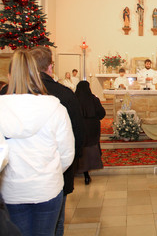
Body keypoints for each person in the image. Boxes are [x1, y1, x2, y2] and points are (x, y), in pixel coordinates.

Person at [0, 49, 75, 236]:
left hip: (12, 189)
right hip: (47, 187)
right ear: (37, 75)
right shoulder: (55, 107)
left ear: (9, 76)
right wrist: (51, 172)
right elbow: (66, 153)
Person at [30, 46, 85, 236]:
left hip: (14, 182)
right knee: (54, 225)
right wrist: (66, 166)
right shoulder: (63, 95)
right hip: (55, 174)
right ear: (50, 67)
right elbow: (77, 134)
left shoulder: (7, 94)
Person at [75, 81, 106, 185]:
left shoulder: (74, 99)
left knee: (82, 150)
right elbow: (102, 113)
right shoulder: (94, 99)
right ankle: (92, 166)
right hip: (92, 128)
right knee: (91, 148)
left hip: (79, 127)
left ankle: (85, 173)